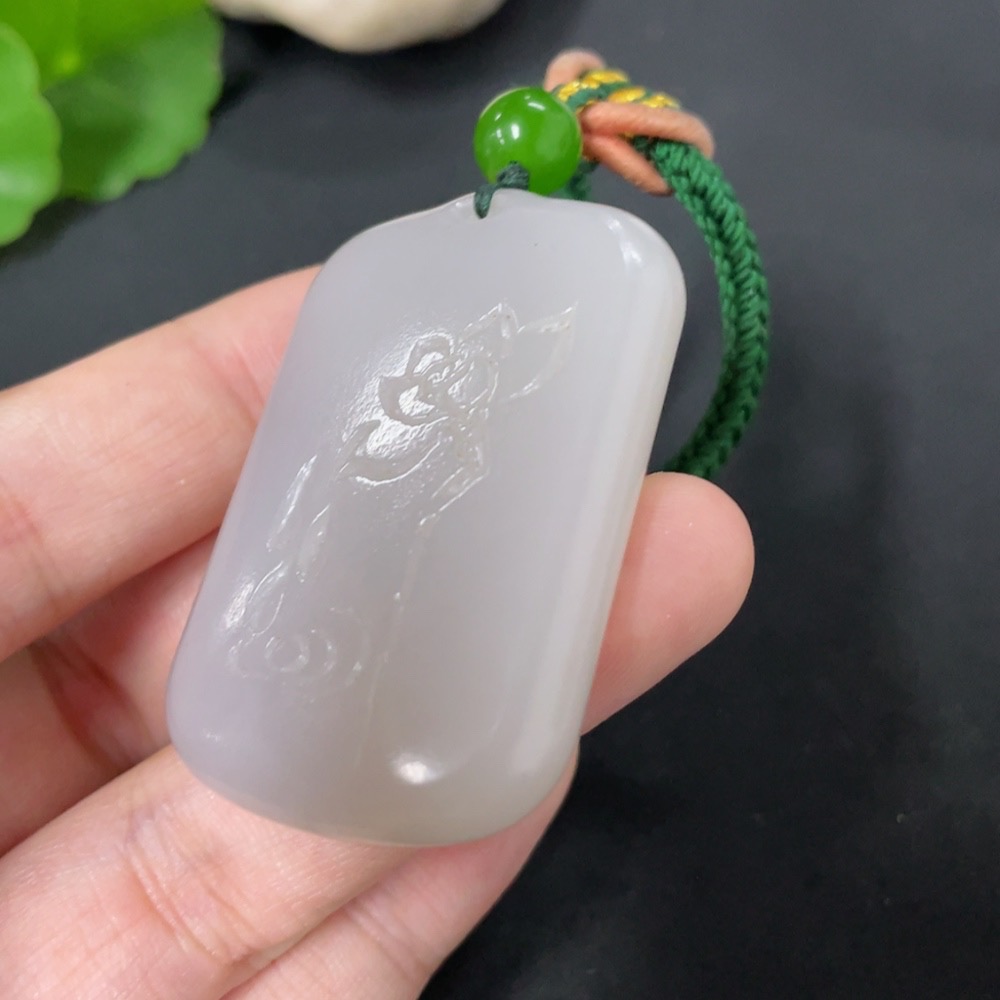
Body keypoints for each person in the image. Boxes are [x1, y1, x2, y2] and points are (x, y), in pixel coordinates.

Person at [0, 268, 753, 997]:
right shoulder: (398, 399)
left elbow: (448, 484)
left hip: (394, 575)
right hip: (328, 566)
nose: (445, 378)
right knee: (316, 591)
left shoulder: (462, 433)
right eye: (443, 368)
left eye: (463, 374)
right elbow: (334, 475)